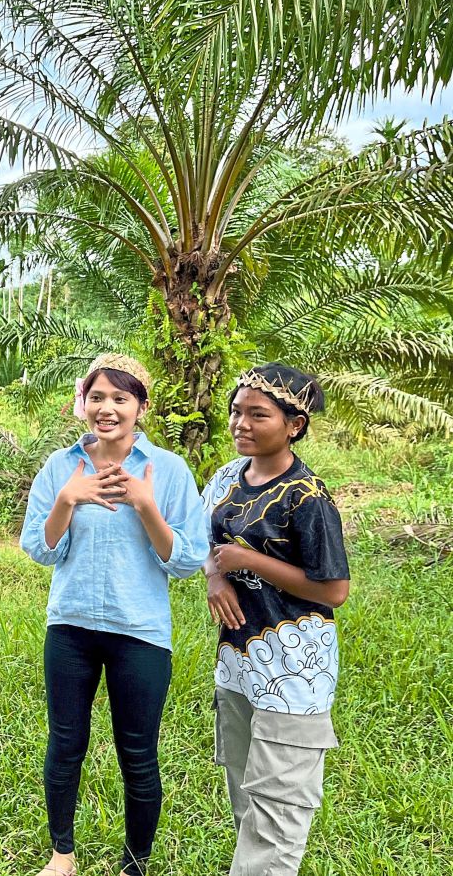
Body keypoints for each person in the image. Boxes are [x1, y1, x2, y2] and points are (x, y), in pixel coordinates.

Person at [21, 353, 209, 876]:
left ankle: (135, 863)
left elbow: (188, 559)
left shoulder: (168, 471)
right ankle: (62, 855)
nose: (107, 408)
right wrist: (67, 499)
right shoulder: (61, 468)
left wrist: (147, 505)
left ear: (140, 407)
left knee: (138, 754)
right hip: (71, 626)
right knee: (65, 744)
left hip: (140, 632)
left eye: (120, 398)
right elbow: (40, 548)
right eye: (97, 397)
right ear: (82, 403)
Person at [202, 363, 350, 876]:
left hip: (294, 674)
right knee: (246, 793)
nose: (241, 423)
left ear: (294, 425)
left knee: (278, 810)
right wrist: (215, 578)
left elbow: (334, 590)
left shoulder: (307, 498)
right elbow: (206, 541)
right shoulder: (226, 476)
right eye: (236, 411)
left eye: (258, 415)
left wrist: (249, 562)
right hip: (239, 664)